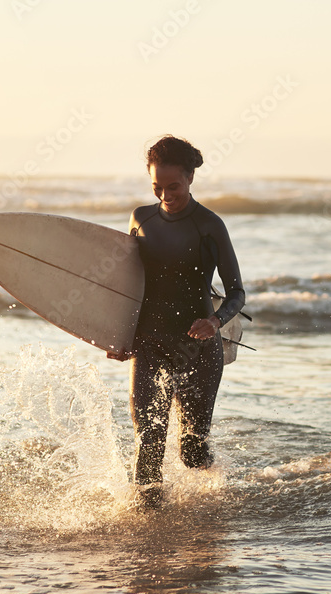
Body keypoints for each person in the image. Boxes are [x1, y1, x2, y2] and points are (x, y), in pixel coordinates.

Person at [108, 135, 245, 507]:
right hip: (150, 344)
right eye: (157, 187)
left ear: (190, 179)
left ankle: (218, 492)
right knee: (148, 444)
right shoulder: (140, 218)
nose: (165, 195)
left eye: (173, 186)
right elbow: (127, 286)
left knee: (191, 451)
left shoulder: (209, 226)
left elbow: (237, 293)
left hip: (198, 349)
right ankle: (149, 530)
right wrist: (117, 337)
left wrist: (215, 322)